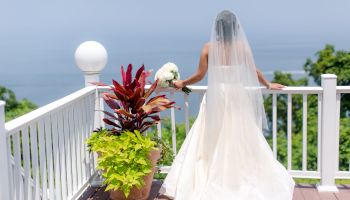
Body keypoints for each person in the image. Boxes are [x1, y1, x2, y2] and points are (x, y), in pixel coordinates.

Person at [157, 10, 295, 200]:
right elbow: (253, 70)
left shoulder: (208, 48)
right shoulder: (242, 48)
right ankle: (237, 178)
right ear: (235, 28)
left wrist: (182, 83)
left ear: (217, 28)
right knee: (240, 134)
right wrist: (268, 84)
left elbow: (199, 75)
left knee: (209, 135)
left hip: (217, 95)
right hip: (237, 95)